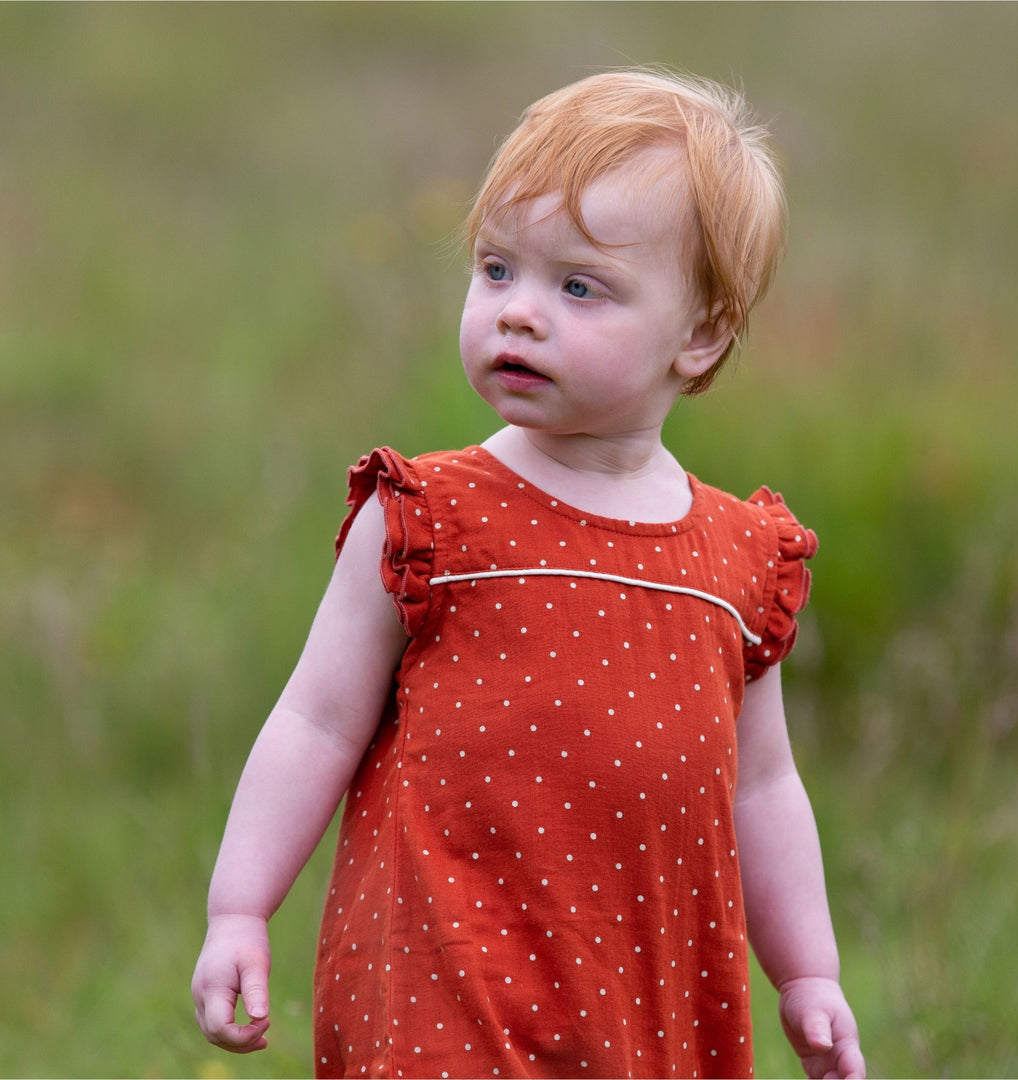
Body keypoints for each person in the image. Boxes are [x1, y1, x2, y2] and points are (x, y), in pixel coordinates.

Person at [192, 67, 865, 1080]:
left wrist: (808, 972)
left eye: (579, 287)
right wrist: (239, 907)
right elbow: (314, 720)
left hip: (647, 994)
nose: (519, 313)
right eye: (498, 269)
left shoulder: (737, 562)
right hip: (441, 984)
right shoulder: (426, 521)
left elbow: (763, 787)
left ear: (701, 334)